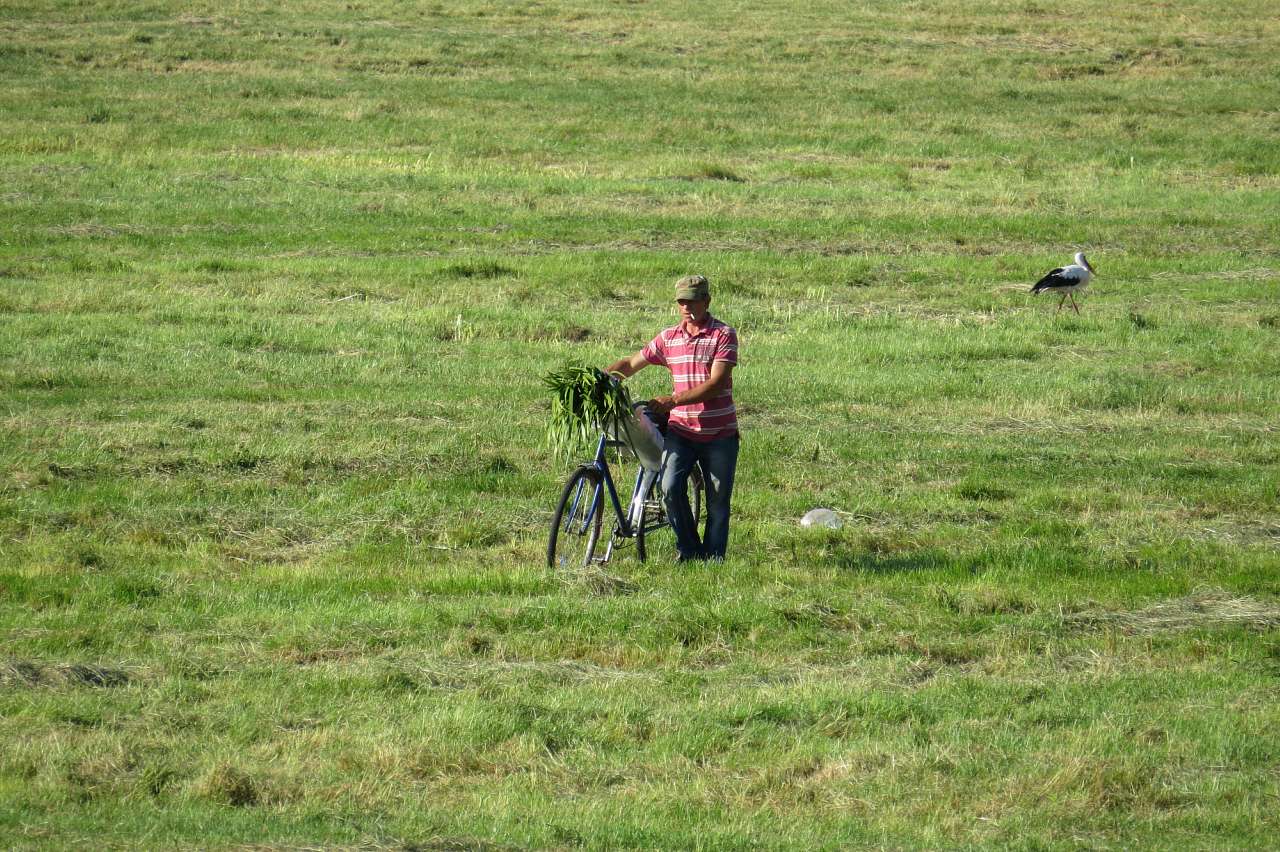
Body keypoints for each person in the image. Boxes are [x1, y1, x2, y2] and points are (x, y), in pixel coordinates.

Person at [605, 275, 740, 561]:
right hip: (682, 431)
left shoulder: (723, 335)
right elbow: (630, 364)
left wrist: (674, 400)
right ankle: (690, 552)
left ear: (707, 301)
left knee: (718, 503)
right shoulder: (669, 338)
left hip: (720, 434)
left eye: (693, 301)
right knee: (669, 488)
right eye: (682, 302)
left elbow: (716, 383)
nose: (687, 307)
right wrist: (602, 381)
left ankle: (713, 560)